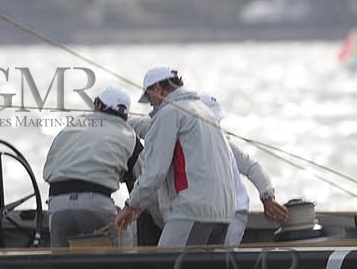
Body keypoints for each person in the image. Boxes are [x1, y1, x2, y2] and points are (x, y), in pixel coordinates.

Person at [115, 66, 236, 246]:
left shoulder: (169, 113)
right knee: (200, 266)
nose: (151, 104)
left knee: (165, 262)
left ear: (158, 88)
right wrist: (122, 121)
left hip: (193, 210)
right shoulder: (203, 111)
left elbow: (154, 173)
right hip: (224, 213)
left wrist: (131, 205)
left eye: (149, 97)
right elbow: (150, 127)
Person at [41, 86, 142, 248]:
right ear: (125, 115)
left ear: (98, 105)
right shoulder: (129, 134)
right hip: (96, 204)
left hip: (57, 203)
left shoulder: (73, 125)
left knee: (60, 259)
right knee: (124, 241)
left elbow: (49, 166)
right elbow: (142, 178)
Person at [199, 93, 291, 244]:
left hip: (234, 213)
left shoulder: (225, 144)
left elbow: (253, 168)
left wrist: (268, 198)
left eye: (218, 122)